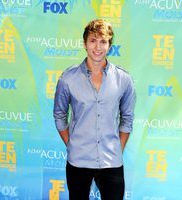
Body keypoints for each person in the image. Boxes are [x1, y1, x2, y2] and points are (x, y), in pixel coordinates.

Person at [53, 19, 136, 200]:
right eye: (93, 40)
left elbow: (127, 118)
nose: (97, 47)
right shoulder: (68, 79)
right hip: (78, 160)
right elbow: (59, 115)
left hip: (111, 160)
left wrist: (117, 148)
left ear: (109, 45)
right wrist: (72, 143)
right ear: (85, 44)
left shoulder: (124, 79)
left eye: (103, 41)